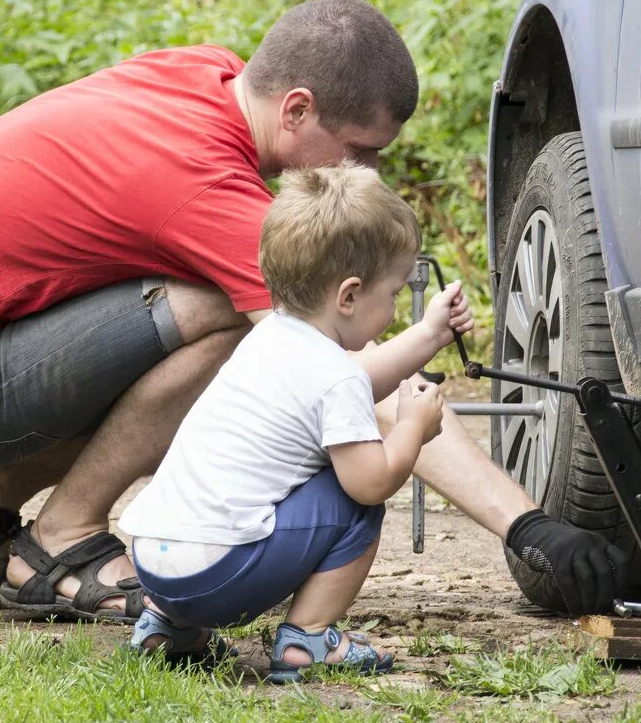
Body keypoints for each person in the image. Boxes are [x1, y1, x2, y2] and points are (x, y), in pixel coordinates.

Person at [0, 0, 625, 624]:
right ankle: (62, 535)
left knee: (231, 330)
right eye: (358, 151)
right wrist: (528, 525)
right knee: (242, 322)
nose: (369, 173)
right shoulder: (209, 194)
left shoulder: (209, 76)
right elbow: (356, 387)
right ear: (295, 108)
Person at [120, 163, 463, 681]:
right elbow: (371, 482)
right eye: (392, 294)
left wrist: (430, 334)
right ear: (347, 296)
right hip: (217, 577)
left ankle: (168, 627)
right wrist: (412, 427)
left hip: (155, 563)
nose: (394, 310)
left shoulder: (271, 338)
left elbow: (351, 381)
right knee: (354, 500)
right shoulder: (332, 378)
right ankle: (308, 638)